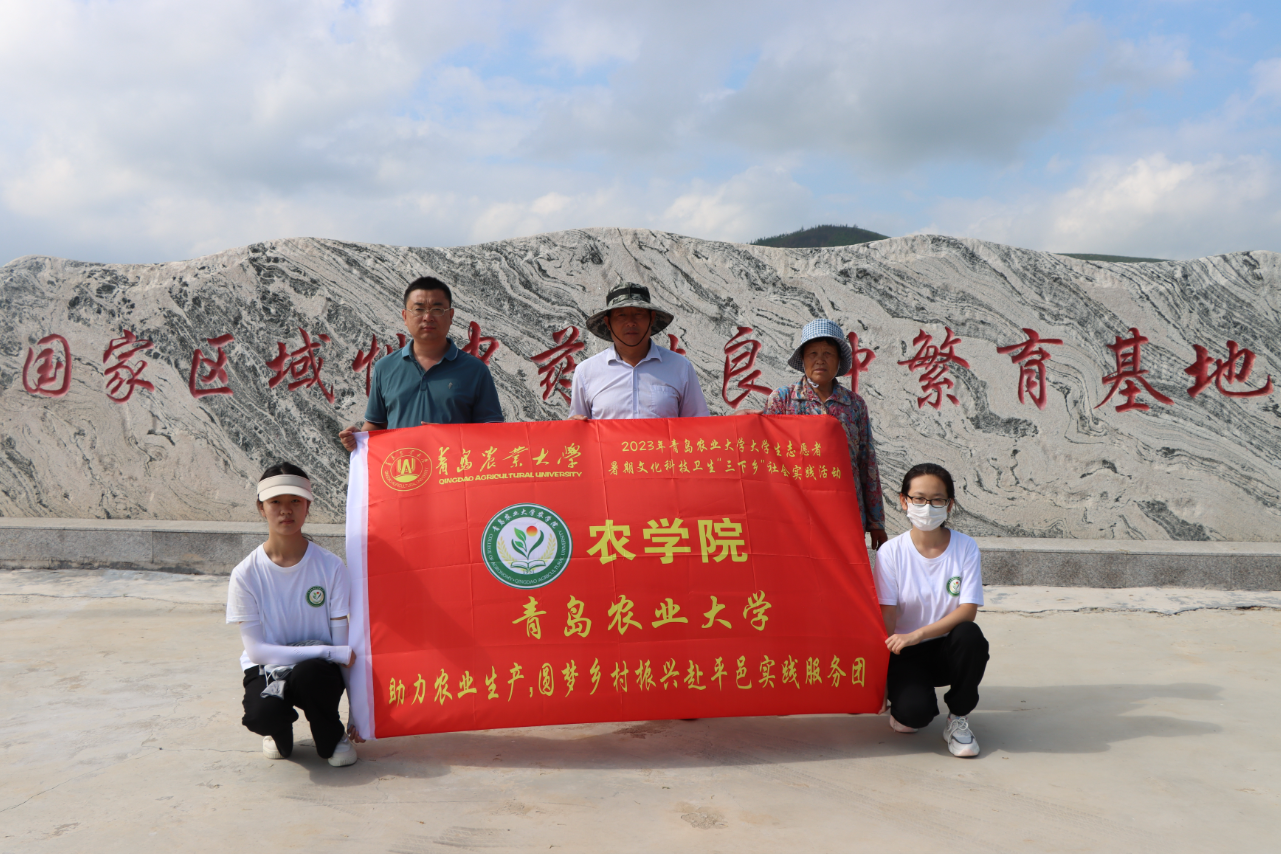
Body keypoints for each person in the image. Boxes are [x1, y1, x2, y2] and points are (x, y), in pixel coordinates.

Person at [226, 463, 363, 766]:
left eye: (295, 501)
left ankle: (332, 734)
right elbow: (257, 651)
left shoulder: (331, 567)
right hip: (268, 669)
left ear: (308, 506)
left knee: (311, 676)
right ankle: (278, 729)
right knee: (262, 716)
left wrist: (358, 713)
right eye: (275, 501)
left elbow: (342, 649)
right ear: (261, 508)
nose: (286, 510)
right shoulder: (245, 574)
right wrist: (328, 651)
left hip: (317, 674)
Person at [873, 463, 989, 758]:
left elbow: (967, 611)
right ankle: (905, 704)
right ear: (904, 501)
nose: (927, 507)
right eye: (919, 498)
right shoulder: (891, 552)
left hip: (947, 648)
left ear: (949, 505)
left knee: (970, 635)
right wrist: (878, 680)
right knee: (913, 717)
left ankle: (958, 718)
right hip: (905, 652)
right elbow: (887, 615)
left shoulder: (965, 547)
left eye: (937, 500)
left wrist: (918, 634)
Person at [762, 319, 887, 549]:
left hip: (845, 514)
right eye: (813, 353)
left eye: (828, 353)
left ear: (839, 361)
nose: (820, 359)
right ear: (803, 359)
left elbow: (867, 462)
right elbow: (768, 459)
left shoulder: (854, 405)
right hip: (794, 514)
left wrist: (876, 521)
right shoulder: (782, 399)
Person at [340, 276, 503, 451]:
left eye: (437, 309)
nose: (428, 317)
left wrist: (451, 436)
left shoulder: (475, 370)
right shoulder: (385, 367)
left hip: (451, 466)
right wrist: (358, 439)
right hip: (402, 465)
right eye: (419, 309)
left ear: (451, 316)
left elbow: (492, 432)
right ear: (405, 316)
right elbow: (377, 423)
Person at [568, 283, 710, 420]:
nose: (630, 322)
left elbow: (698, 425)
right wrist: (573, 425)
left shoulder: (680, 367)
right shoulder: (586, 372)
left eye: (638, 313)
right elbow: (579, 429)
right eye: (621, 315)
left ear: (651, 318)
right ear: (608, 322)